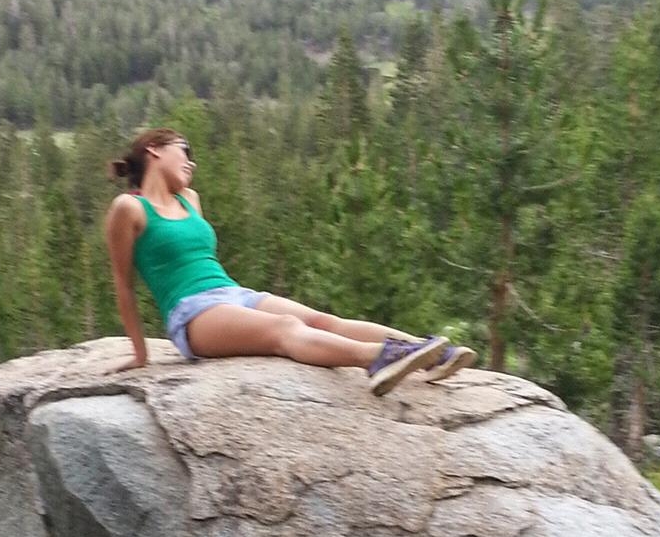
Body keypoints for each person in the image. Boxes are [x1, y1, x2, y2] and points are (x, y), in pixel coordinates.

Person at [104, 126, 475, 394]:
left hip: (233, 294)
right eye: (186, 150)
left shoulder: (191, 200)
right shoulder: (129, 207)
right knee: (284, 328)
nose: (192, 163)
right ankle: (376, 358)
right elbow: (123, 284)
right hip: (192, 314)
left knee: (321, 319)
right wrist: (140, 353)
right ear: (154, 149)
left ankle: (432, 353)